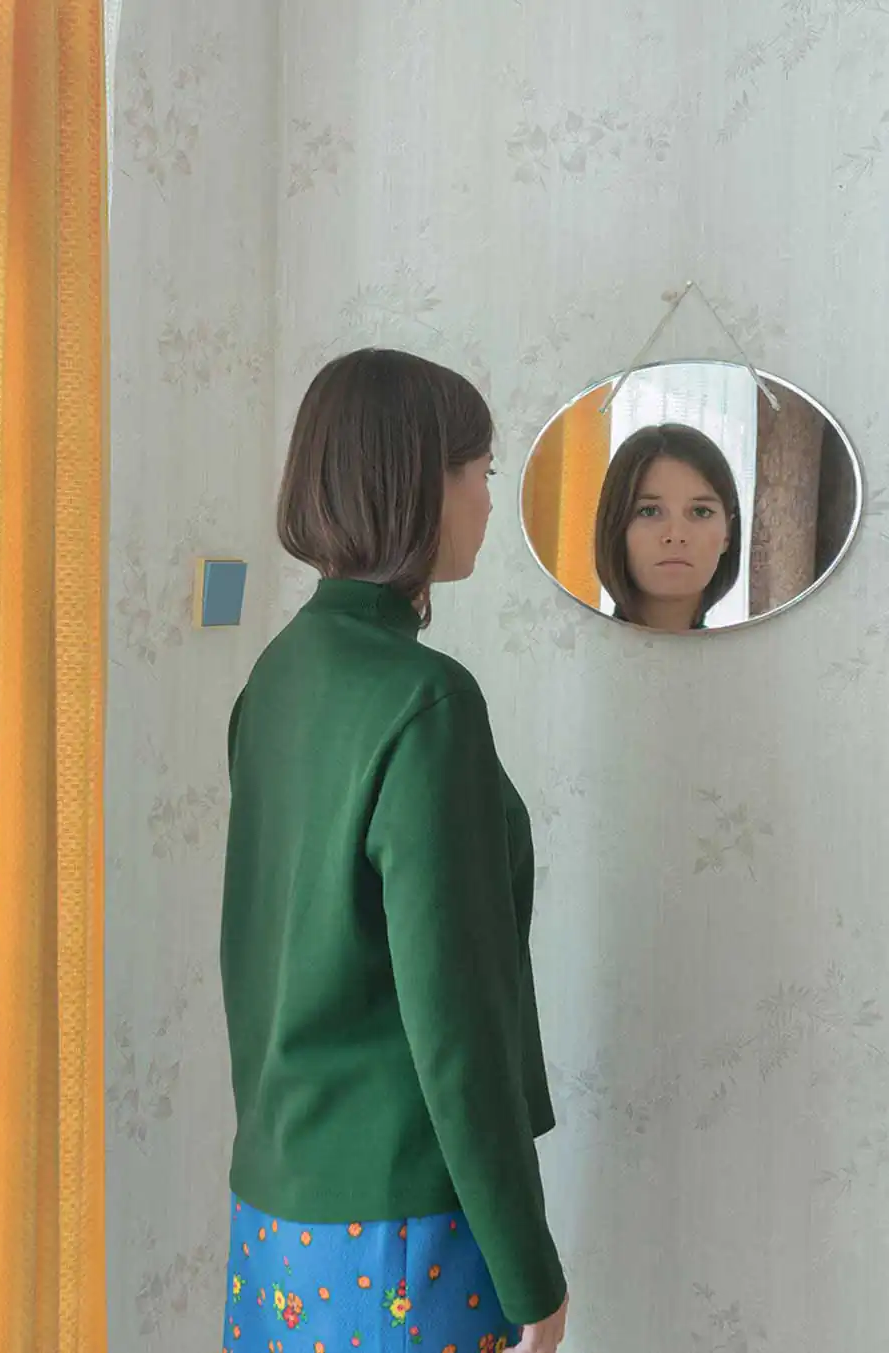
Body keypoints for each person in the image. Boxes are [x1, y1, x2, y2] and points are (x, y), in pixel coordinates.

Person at [219, 349, 569, 1353]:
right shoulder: (426, 701)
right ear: (420, 482)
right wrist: (530, 1271)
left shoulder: (278, 676)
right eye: (479, 472)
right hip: (403, 1232)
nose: (488, 501)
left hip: (275, 1216)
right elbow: (458, 1027)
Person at [594, 423, 741, 632]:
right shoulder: (570, 649)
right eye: (649, 511)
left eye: (701, 512)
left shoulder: (750, 653)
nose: (676, 535)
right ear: (616, 528)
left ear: (727, 533)